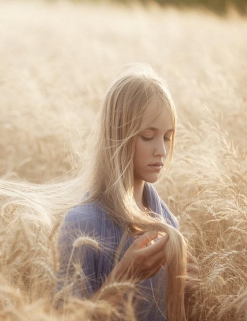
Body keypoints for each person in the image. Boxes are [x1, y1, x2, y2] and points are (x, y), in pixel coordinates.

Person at [53, 65, 198, 321]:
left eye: (167, 137)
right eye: (147, 136)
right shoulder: (81, 225)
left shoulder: (168, 223)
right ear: (118, 135)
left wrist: (189, 289)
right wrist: (122, 278)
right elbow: (65, 317)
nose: (161, 151)